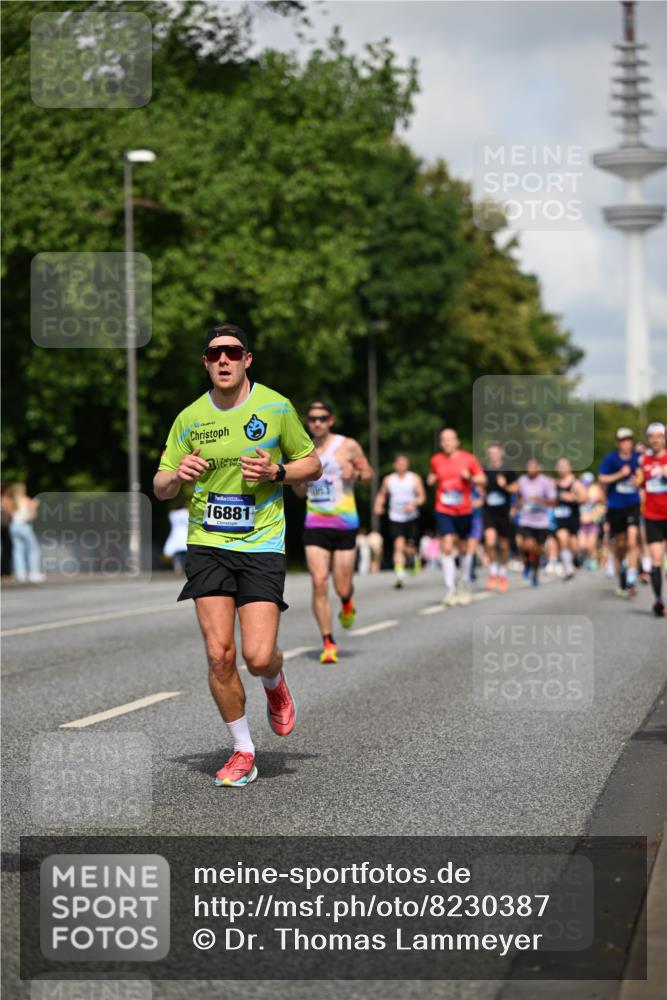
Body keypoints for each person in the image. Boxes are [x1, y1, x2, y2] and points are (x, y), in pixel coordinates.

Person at [154, 322, 321, 788]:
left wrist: (279, 470)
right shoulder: (189, 418)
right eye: (213, 354)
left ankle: (274, 680)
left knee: (258, 654)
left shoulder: (275, 407)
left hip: (262, 543)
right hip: (208, 543)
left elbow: (313, 464)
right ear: (205, 363)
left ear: (247, 359)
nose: (222, 360)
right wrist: (177, 473)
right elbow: (161, 485)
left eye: (231, 352)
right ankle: (243, 750)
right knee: (219, 655)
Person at [292, 400, 373, 664]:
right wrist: (300, 483)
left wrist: (357, 475)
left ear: (331, 420)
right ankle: (328, 642)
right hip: (315, 525)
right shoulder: (300, 450)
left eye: (322, 418)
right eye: (313, 418)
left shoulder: (347, 445)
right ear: (307, 421)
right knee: (319, 583)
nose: (317, 422)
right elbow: (298, 490)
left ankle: (347, 601)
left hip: (344, 525)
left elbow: (369, 474)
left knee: (341, 585)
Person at [427, 427, 486, 606]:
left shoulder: (468, 459)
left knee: (464, 548)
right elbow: (433, 475)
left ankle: (465, 581)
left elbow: (483, 479)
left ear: (457, 441)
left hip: (464, 509)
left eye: (450, 439)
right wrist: (431, 478)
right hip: (444, 508)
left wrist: (471, 477)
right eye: (443, 440)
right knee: (446, 545)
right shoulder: (436, 460)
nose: (447, 443)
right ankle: (450, 588)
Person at [598, 428, 642, 597]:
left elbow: (642, 476)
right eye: (623, 440)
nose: (626, 443)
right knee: (620, 545)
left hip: (632, 504)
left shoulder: (638, 458)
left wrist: (638, 480)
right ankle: (622, 572)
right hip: (616, 507)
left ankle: (631, 578)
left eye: (629, 440)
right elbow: (602, 478)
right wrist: (619, 474)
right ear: (618, 443)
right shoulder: (611, 458)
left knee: (632, 541)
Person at [373, 453, 426, 588]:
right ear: (394, 465)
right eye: (399, 463)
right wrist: (378, 505)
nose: (401, 466)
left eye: (404, 463)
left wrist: (413, 504)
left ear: (407, 465)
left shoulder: (414, 478)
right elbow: (382, 495)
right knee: (398, 545)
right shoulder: (389, 480)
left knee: (409, 548)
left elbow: (422, 497)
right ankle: (400, 575)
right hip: (395, 517)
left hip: (411, 517)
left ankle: (415, 557)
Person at [636, 422, 667, 616]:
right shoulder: (643, 460)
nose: (655, 439)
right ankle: (658, 600)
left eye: (659, 436)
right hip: (652, 516)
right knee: (656, 559)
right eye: (652, 436)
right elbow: (639, 483)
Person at [481, 442, 518, 593]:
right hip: (488, 511)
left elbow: (516, 488)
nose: (494, 455)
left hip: (503, 512)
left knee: (503, 545)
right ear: (488, 454)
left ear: (501, 453)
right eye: (491, 453)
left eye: (496, 452)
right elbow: (478, 487)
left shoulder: (508, 470)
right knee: (489, 542)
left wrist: (504, 486)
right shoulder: (483, 470)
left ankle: (502, 575)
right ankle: (493, 572)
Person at [515, 459, 557, 587]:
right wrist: (518, 504)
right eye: (528, 466)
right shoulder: (522, 481)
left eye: (533, 466)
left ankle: (535, 574)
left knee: (537, 550)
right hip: (526, 520)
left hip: (541, 522)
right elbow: (518, 497)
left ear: (539, 468)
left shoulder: (546, 482)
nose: (530, 469)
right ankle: (527, 562)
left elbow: (553, 502)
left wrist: (540, 500)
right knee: (527, 545)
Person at [551, 458, 587, 580]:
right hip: (559, 518)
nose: (561, 468)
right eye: (559, 465)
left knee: (573, 544)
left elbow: (584, 498)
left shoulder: (575, 483)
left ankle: (573, 560)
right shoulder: (554, 483)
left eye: (564, 465)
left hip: (572, 518)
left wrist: (571, 497)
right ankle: (568, 568)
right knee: (562, 537)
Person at [7, 483, 45, 583]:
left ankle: (21, 574)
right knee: (34, 549)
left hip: (13, 526)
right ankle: (34, 573)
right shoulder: (26, 500)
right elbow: (31, 515)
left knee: (18, 550)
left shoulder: (11, 501)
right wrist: (35, 505)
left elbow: (10, 516)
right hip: (23, 526)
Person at [162, 497, 190, 574]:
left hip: (175, 533)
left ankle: (177, 566)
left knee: (176, 552)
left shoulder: (172, 514)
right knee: (185, 552)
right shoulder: (185, 512)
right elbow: (188, 523)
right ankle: (185, 566)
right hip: (184, 532)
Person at [1, 485, 13, 580]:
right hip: (4, 527)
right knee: (7, 549)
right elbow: (9, 513)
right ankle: (5, 572)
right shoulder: (5, 499)